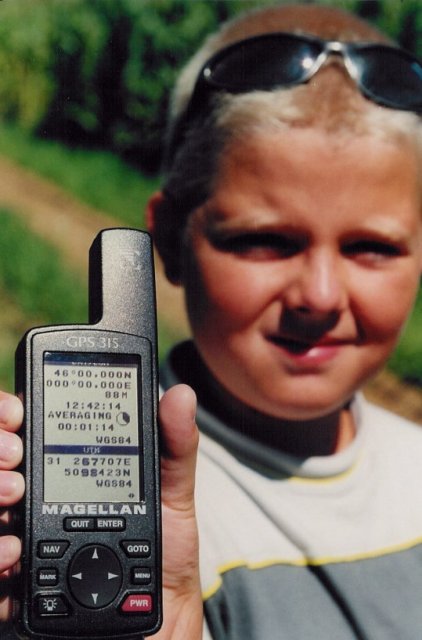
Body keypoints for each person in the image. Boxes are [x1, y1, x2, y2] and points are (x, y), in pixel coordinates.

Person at [0, 3, 422, 639]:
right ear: (168, 239)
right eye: (264, 241)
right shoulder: (146, 522)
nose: (321, 295)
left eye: (373, 247)